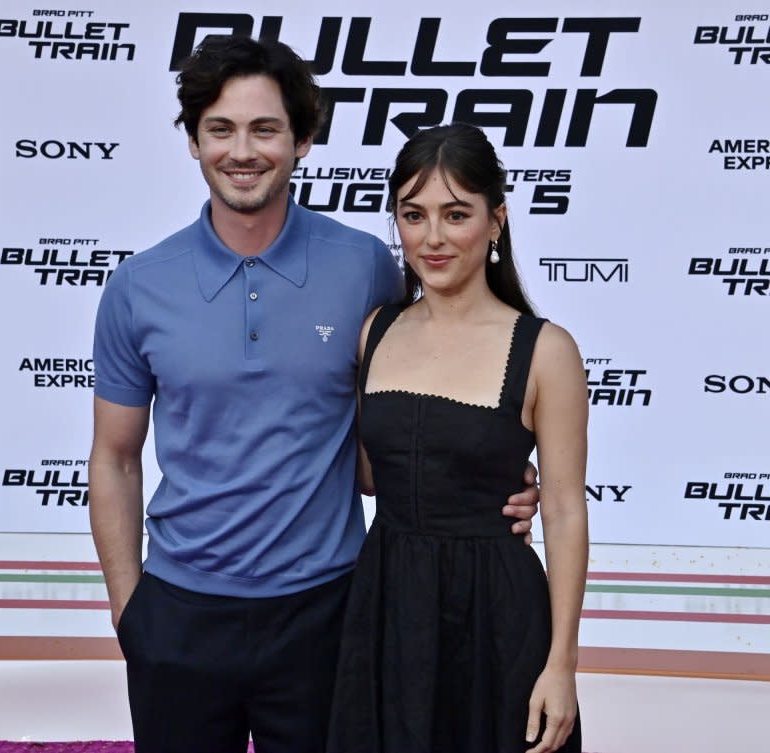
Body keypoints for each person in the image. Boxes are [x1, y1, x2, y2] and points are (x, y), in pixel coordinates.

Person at [88, 35, 540, 753]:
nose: (243, 150)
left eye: (265, 129)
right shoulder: (139, 287)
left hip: (329, 614)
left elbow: (402, 417)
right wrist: (130, 611)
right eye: (221, 129)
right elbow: (113, 459)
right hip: (178, 614)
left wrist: (483, 475)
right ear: (194, 142)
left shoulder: (363, 265)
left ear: (302, 140)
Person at [327, 123, 588, 753]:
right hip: (386, 604)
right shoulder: (374, 331)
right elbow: (370, 473)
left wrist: (561, 666)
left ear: (496, 221)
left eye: (456, 214)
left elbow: (564, 509)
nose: (433, 237)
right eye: (413, 215)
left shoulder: (547, 350)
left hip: (499, 616)